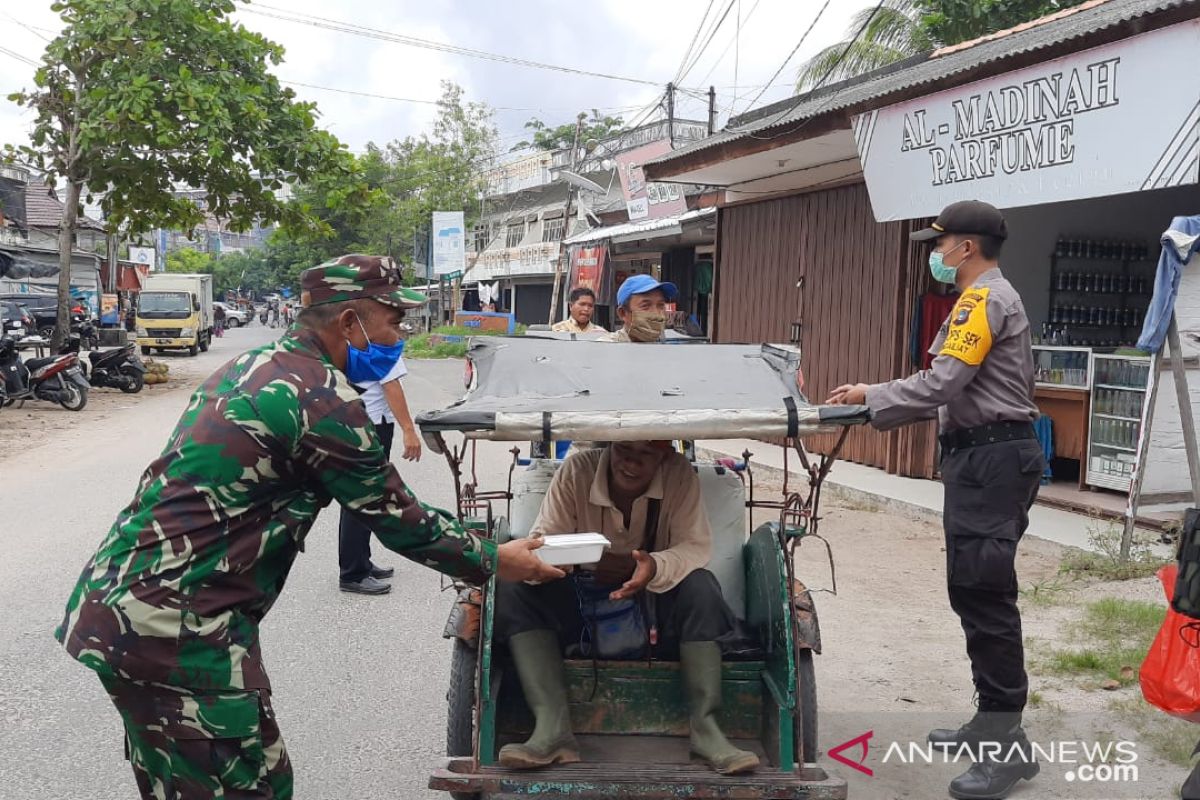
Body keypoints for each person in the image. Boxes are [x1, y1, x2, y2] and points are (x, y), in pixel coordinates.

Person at [55, 254, 563, 800]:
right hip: (178, 630)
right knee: (254, 787)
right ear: (350, 322)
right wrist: (497, 559)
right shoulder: (322, 401)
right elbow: (397, 516)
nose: (400, 336)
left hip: (123, 605)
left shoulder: (258, 365)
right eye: (394, 321)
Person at [827, 200, 1043, 800]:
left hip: (991, 462)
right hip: (984, 460)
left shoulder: (982, 299)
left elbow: (945, 382)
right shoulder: (984, 298)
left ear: (966, 248)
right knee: (971, 590)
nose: (938, 253)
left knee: (985, 594)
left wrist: (872, 397)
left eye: (943, 244)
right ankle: (991, 725)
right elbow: (949, 385)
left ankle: (1006, 745)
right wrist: (878, 396)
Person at [494, 440, 758, 776]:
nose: (631, 465)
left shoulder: (678, 474)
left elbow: (695, 547)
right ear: (609, 446)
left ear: (663, 454)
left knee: (701, 586)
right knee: (513, 583)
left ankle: (706, 730)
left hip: (655, 607)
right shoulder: (577, 470)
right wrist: (580, 560)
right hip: (578, 600)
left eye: (645, 455)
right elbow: (544, 540)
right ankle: (552, 728)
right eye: (624, 452)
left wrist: (653, 566)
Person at [338, 286, 427, 595]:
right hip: (372, 427)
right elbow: (392, 388)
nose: (398, 330)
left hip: (367, 424)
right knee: (361, 500)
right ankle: (352, 572)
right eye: (393, 322)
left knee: (368, 498)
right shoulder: (378, 349)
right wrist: (409, 430)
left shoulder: (358, 347)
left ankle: (361, 561)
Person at [602, 274, 676, 343]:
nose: (656, 313)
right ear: (623, 313)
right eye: (645, 306)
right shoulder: (606, 347)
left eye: (661, 305)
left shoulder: (665, 345)